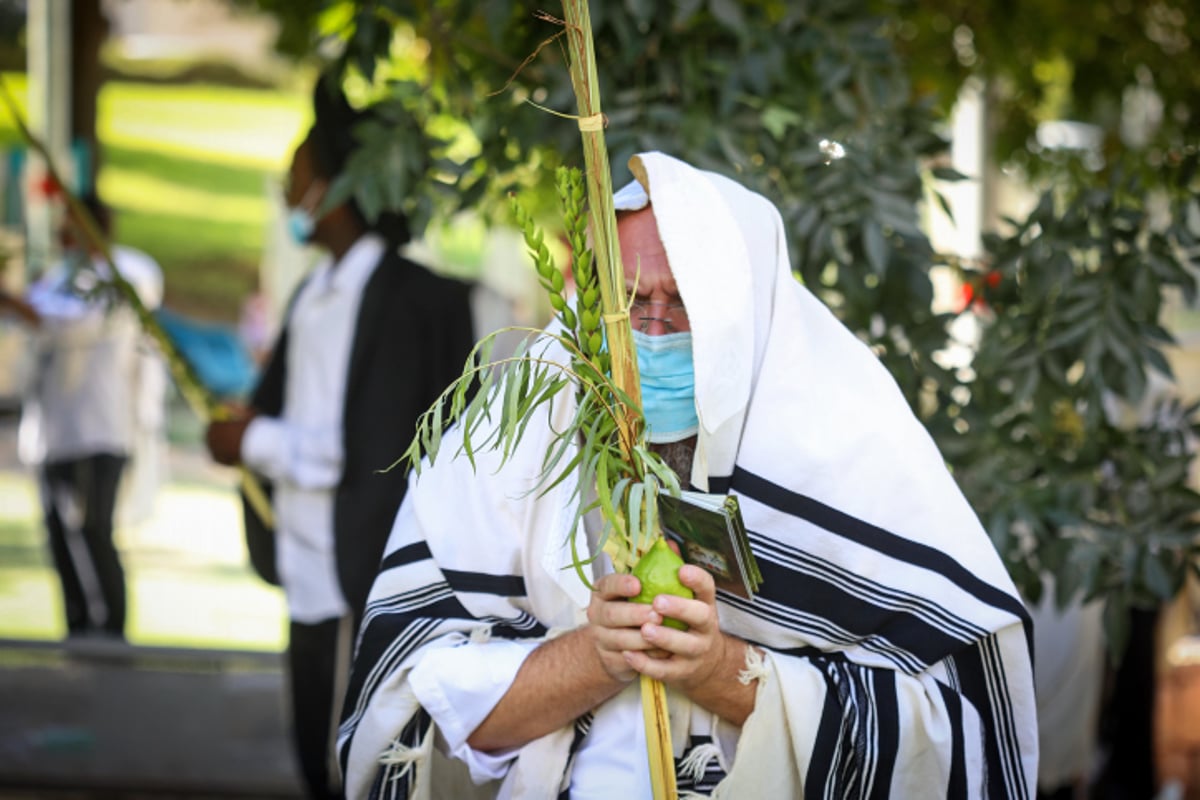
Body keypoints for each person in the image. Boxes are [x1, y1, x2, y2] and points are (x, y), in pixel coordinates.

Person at [337, 152, 1038, 798]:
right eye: (633, 301)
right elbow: (407, 698)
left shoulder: (851, 446)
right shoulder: (521, 431)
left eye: (687, 303)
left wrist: (718, 669)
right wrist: (595, 656)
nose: (656, 327)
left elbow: (955, 732)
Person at [203, 76, 475, 800]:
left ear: (338, 185)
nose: (289, 196)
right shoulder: (315, 292)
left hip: (358, 565)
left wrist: (251, 440)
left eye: (297, 178)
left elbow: (342, 450)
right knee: (311, 748)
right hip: (303, 560)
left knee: (349, 761)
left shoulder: (403, 302)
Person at [0, 192, 163, 640]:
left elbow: (74, 324)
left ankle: (109, 632)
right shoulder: (59, 277)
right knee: (57, 533)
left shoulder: (127, 275)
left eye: (69, 222)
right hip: (53, 431)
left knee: (92, 528)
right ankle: (77, 629)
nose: (60, 232)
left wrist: (20, 306)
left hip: (101, 428)